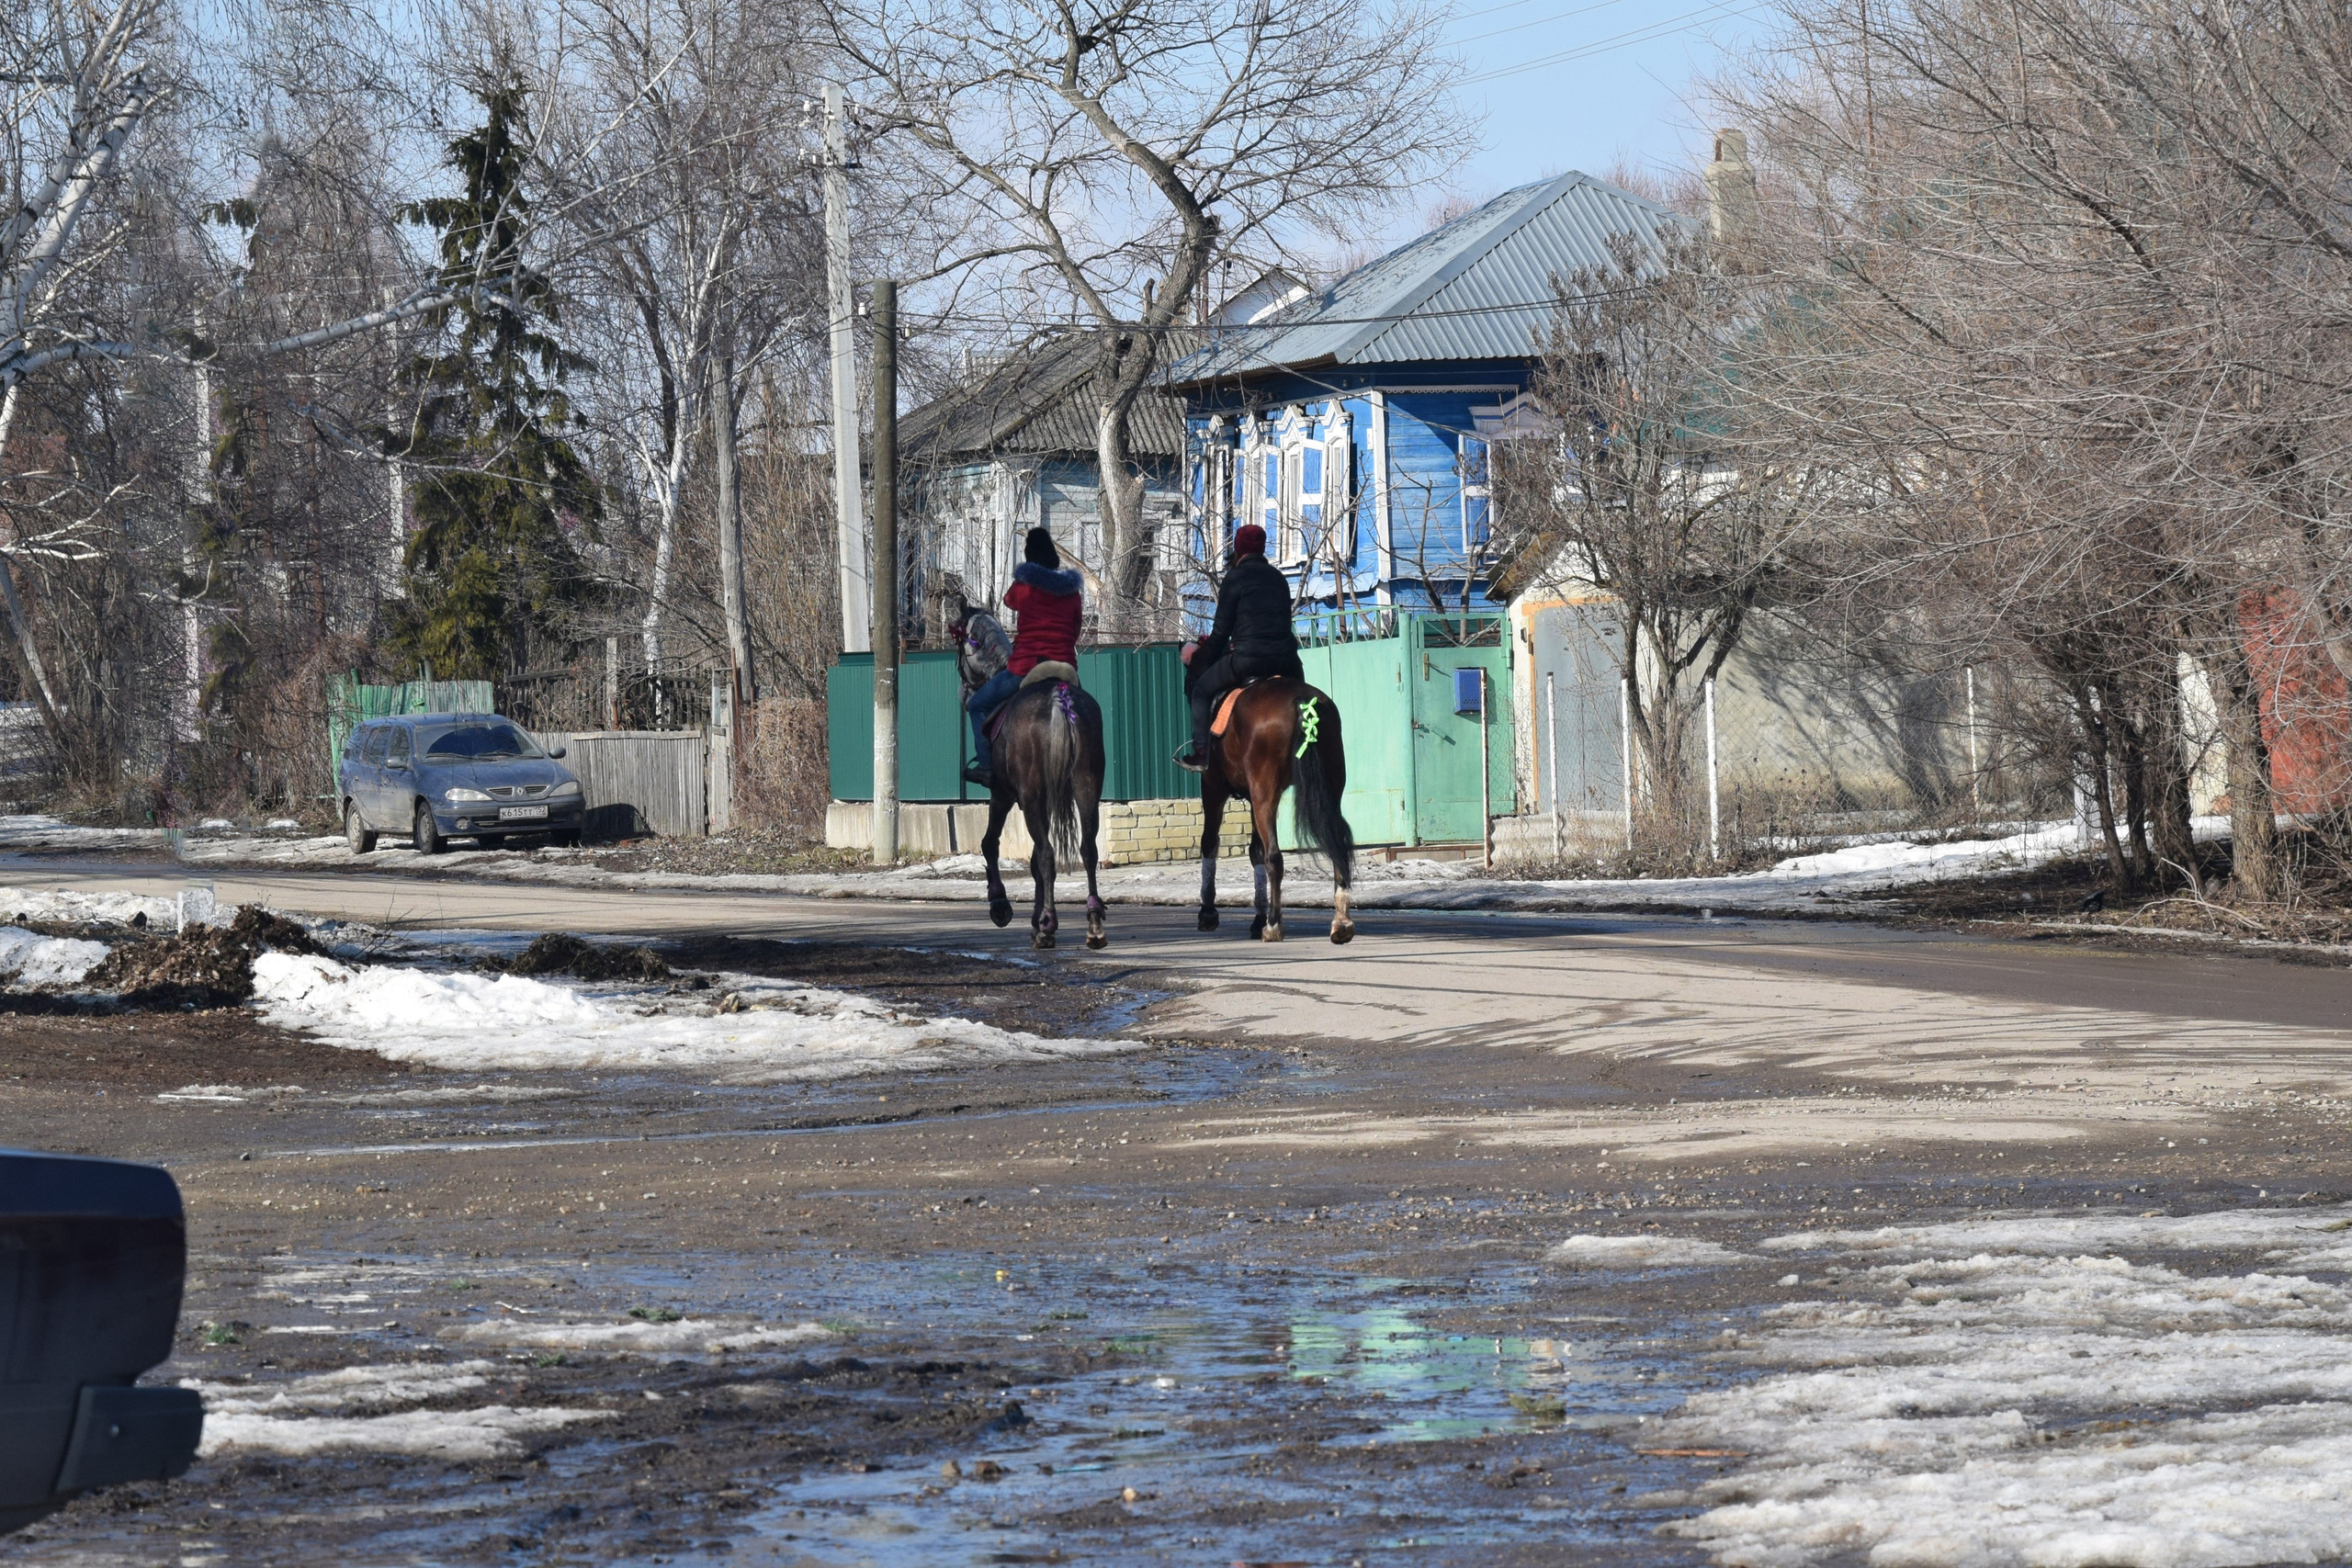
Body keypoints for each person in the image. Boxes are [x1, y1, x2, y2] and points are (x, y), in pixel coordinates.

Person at [1175, 522, 1303, 773]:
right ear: (1262, 548)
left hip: (1248, 659)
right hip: (1288, 660)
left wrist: (1206, 656)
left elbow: (1221, 631)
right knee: (1301, 698)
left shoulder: (1234, 578)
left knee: (1201, 691)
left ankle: (1202, 753)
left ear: (1238, 549)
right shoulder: (1279, 578)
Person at [963, 527, 1083, 787]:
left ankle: (986, 768)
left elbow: (1008, 601)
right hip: (1065, 668)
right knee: (1084, 714)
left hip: (1026, 667)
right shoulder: (1073, 592)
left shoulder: (1024, 587)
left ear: (1029, 555)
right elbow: (1075, 629)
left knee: (978, 706)